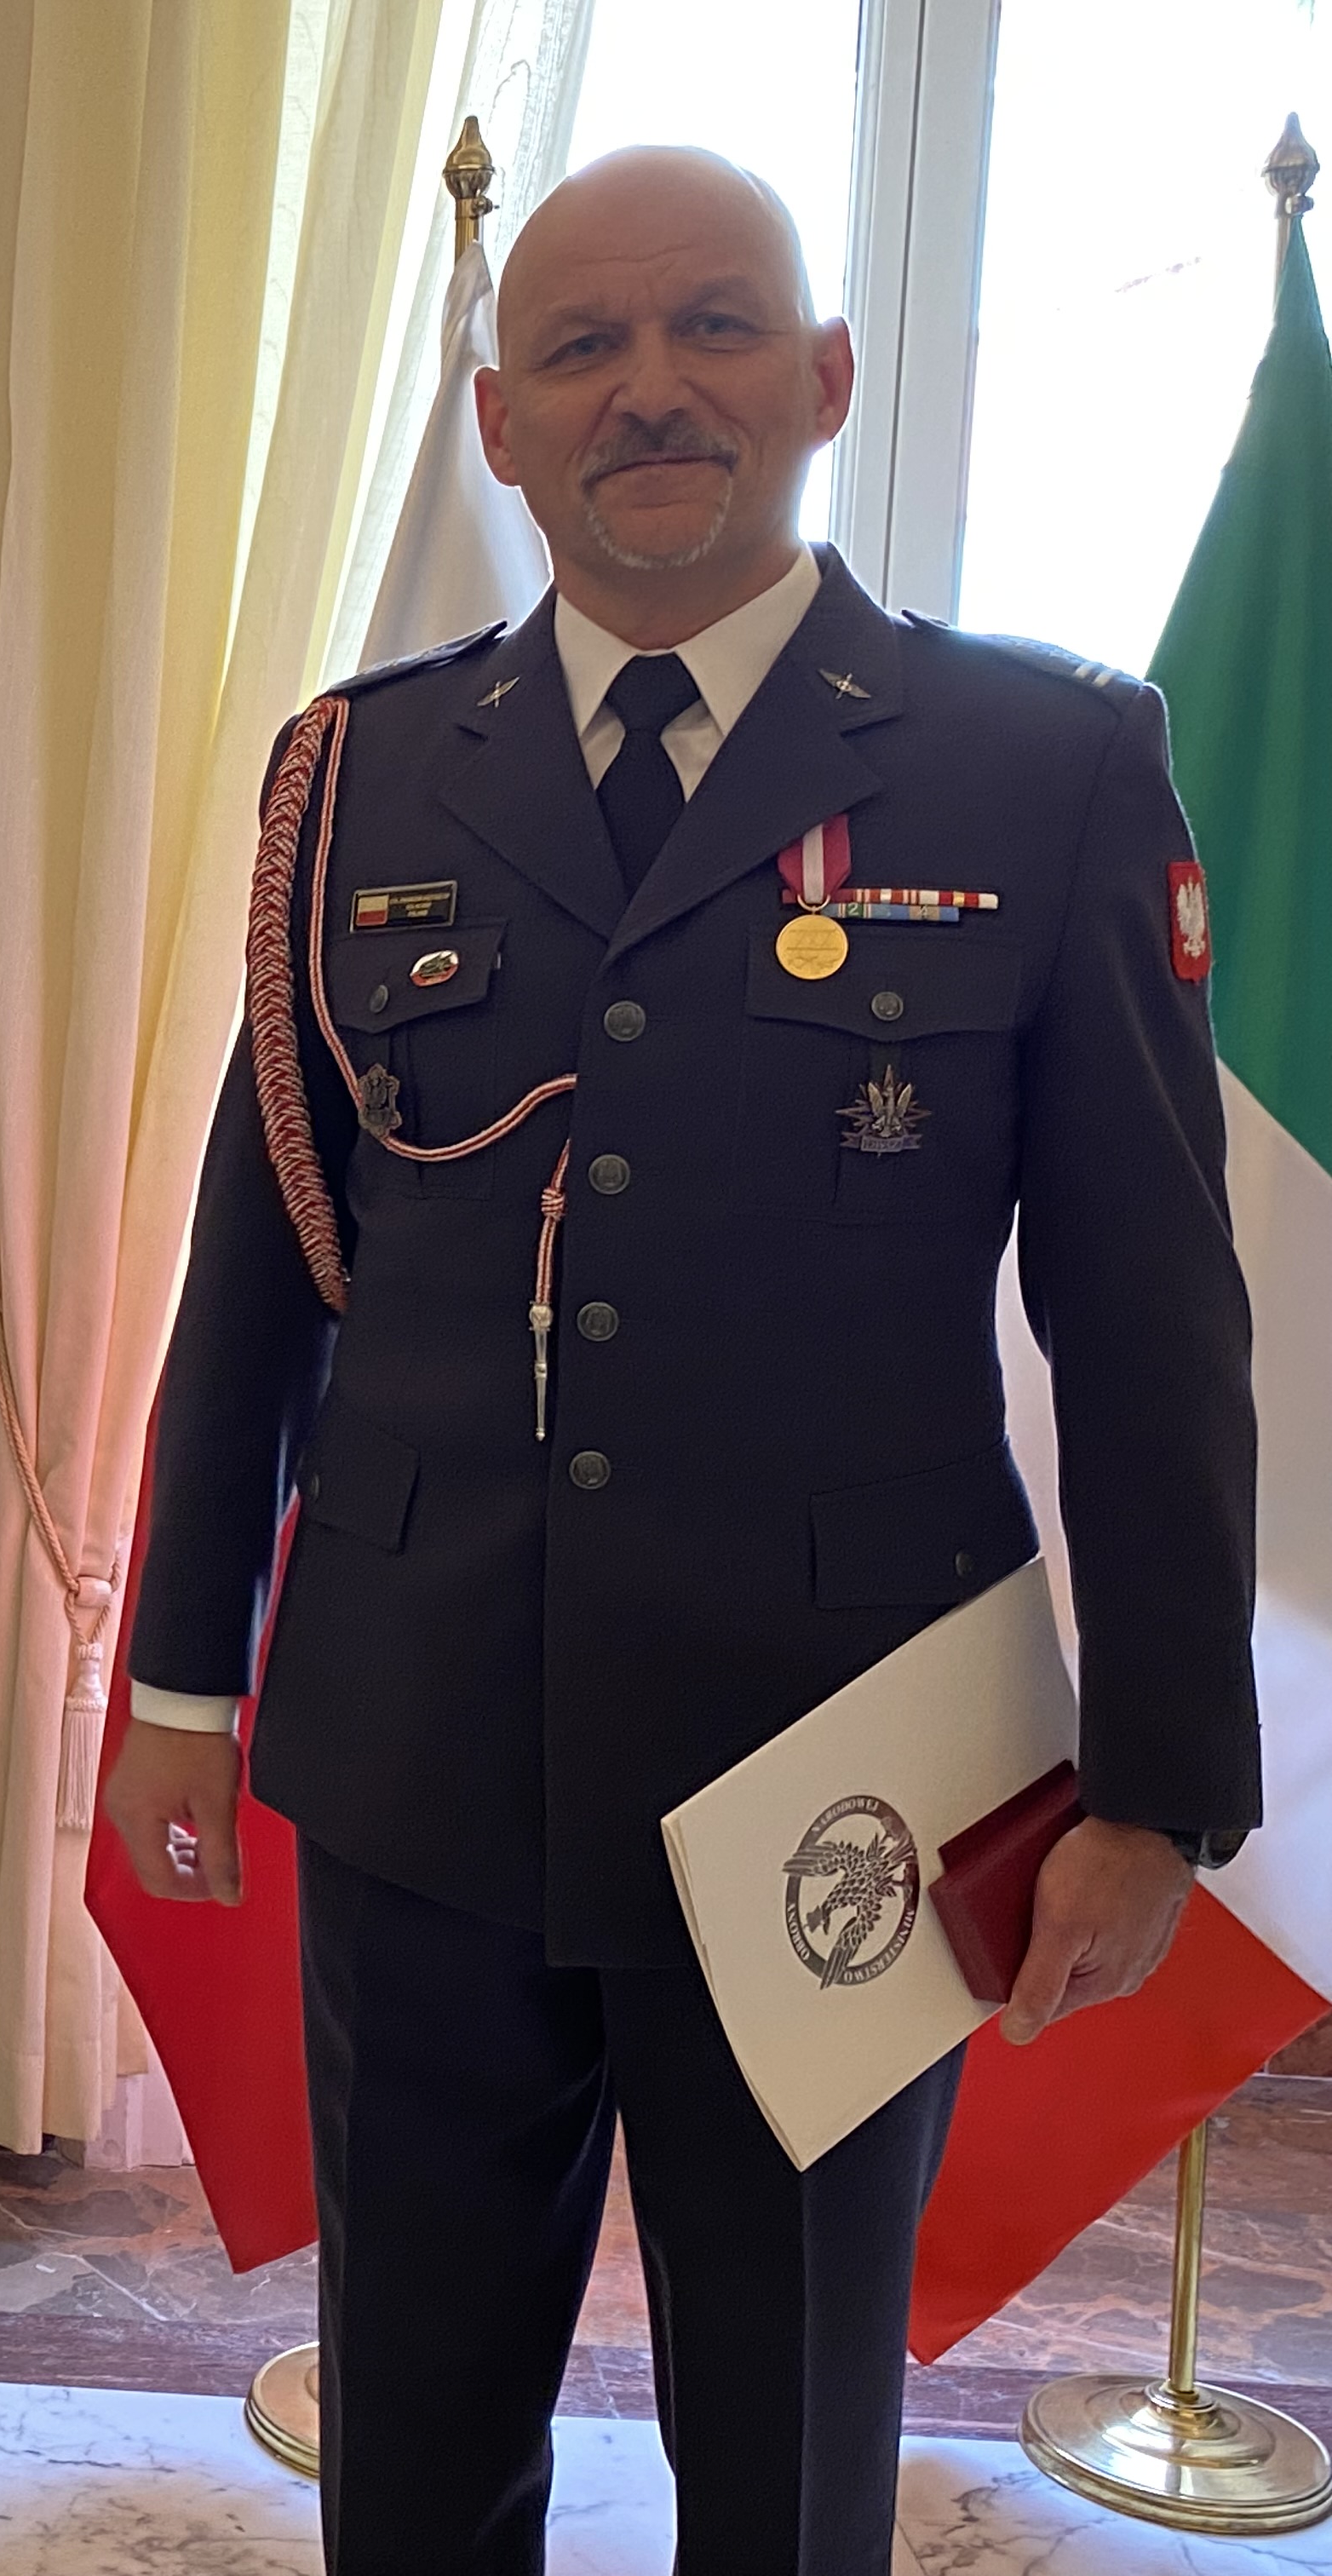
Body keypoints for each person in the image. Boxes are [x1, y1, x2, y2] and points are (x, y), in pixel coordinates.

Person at [99, 149, 1257, 2573]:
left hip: (847, 1764)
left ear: (822, 379)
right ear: (501, 424)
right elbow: (268, 1258)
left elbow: (1149, 1309)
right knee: (414, 2447)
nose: (648, 389)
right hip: (424, 1746)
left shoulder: (1038, 765)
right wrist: (182, 1674)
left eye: (713, 326)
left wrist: (1158, 1784)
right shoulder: (361, 776)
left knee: (794, 2462)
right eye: (582, 348)